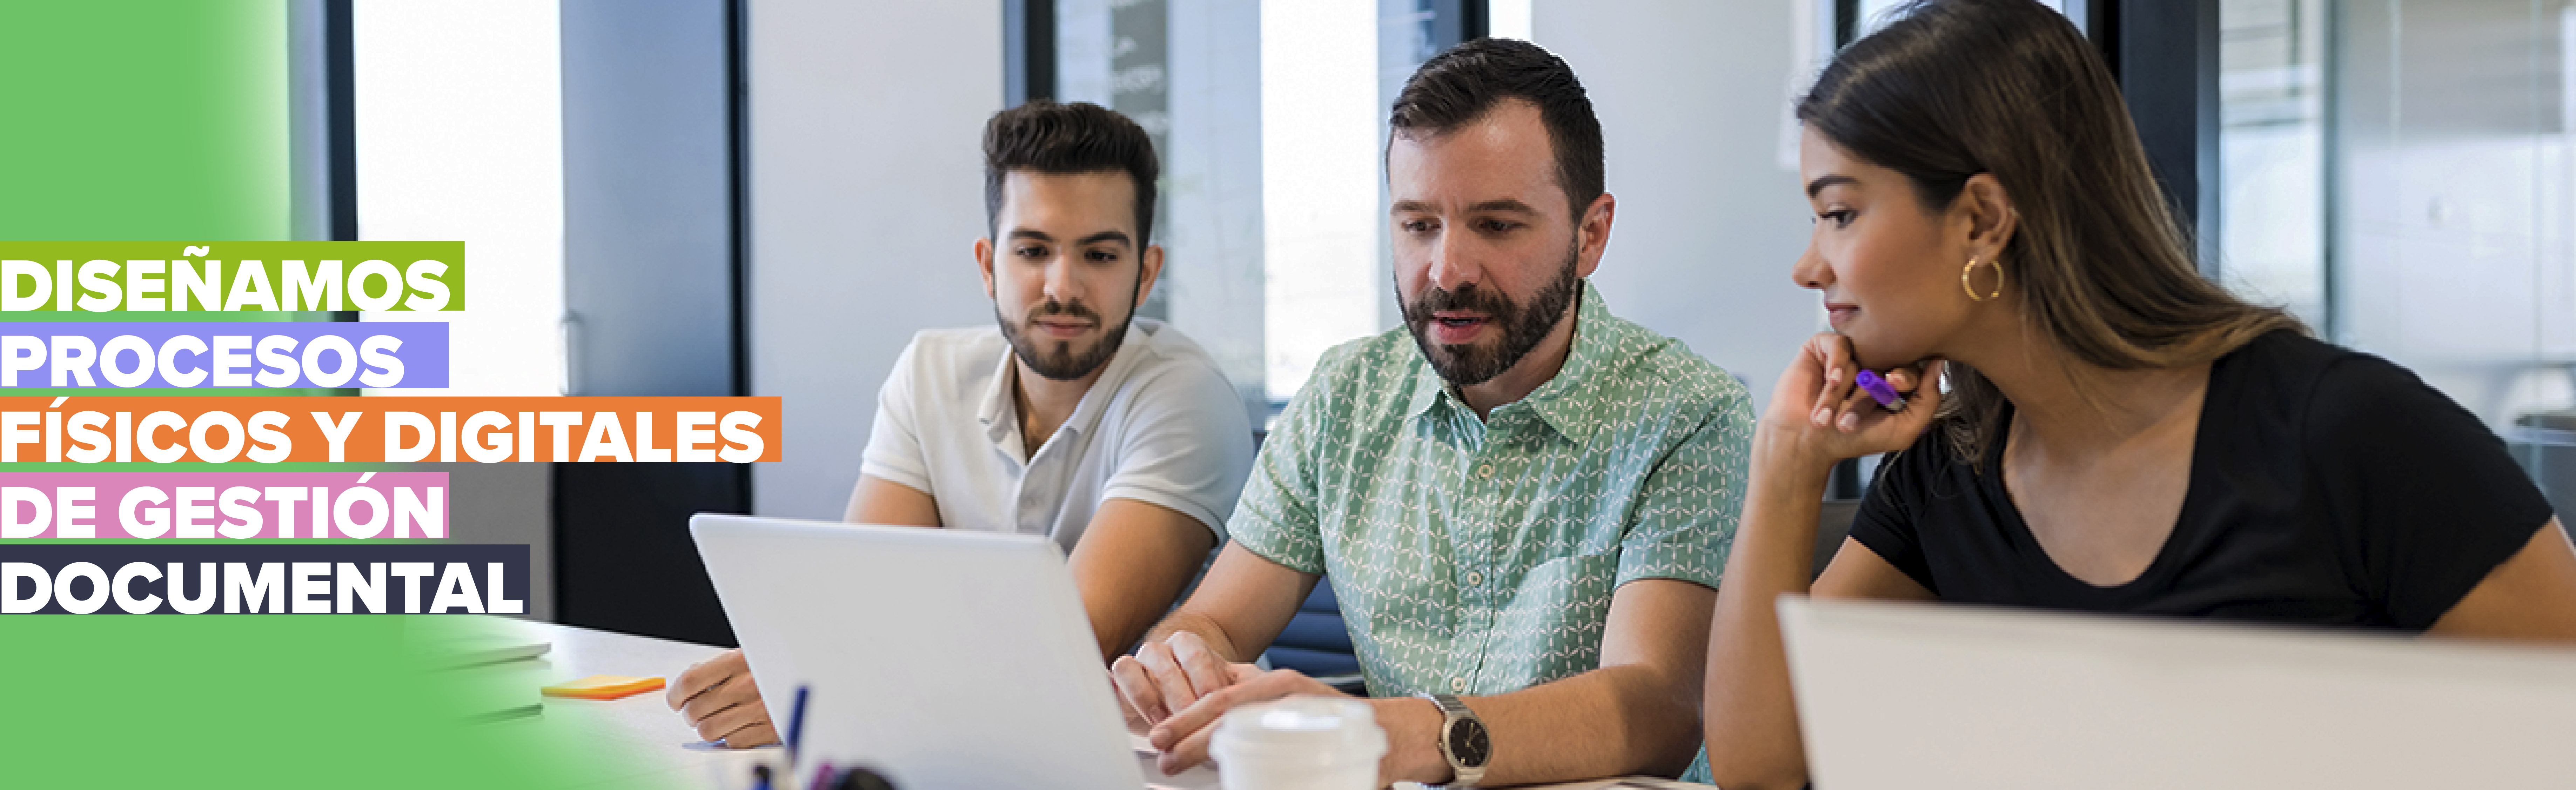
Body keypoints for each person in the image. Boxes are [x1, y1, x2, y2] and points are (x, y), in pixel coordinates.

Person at [1703, 1, 2576, 787]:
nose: (1807, 265)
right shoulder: (1948, 467)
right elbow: (1762, 765)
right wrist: (1787, 465)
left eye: (1839, 213)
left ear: (1980, 219)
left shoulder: (2347, 431)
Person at [1107, 39, 1750, 787]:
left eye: (1497, 225)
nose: (1446, 272)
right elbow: (1215, 622)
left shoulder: (1688, 413)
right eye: (1417, 225)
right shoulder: (1344, 396)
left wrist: (1404, 733)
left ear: (1590, 234)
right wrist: (1182, 659)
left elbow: (1656, 706)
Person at [668, 101, 1257, 748]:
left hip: (1142, 760)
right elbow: (863, 601)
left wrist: (830, 682)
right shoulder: (929, 371)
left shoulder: (1185, 396)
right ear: (987, 265)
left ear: (1145, 274)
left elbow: (1066, 646)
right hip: (947, 744)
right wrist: (809, 668)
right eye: (1033, 250)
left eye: (1099, 255)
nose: (1062, 286)